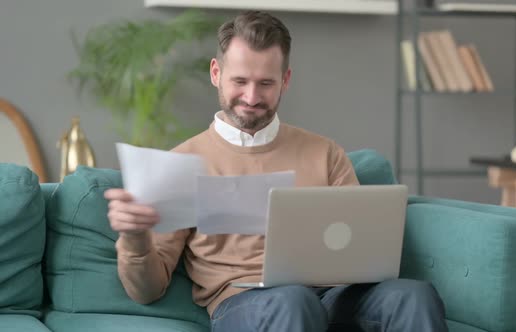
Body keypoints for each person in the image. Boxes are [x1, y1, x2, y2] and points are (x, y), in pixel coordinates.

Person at [105, 10, 448, 332]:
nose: (252, 97)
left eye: (265, 84)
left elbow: (364, 251)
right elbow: (147, 291)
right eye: (239, 81)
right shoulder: (182, 162)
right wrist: (135, 239)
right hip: (242, 305)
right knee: (293, 301)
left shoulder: (325, 153)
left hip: (332, 296)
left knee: (413, 295)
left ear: (285, 80)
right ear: (216, 74)